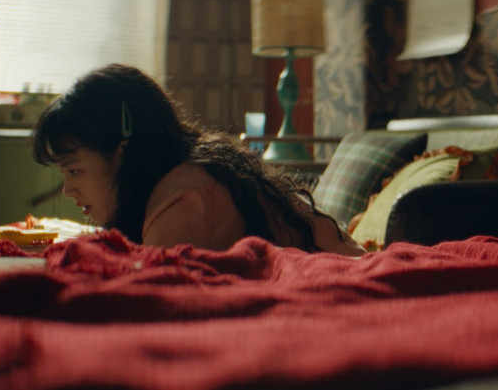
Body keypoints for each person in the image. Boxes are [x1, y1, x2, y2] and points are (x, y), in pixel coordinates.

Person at [31, 64, 365, 257]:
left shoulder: (182, 204)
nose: (68, 189)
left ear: (123, 151)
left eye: (74, 170)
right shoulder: (181, 177)